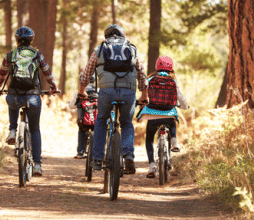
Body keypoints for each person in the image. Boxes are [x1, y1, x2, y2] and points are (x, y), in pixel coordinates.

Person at [78, 24, 148, 173]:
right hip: (128, 93)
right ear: (123, 35)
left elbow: (86, 75)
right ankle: (128, 155)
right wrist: (144, 95)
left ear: (106, 37)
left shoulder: (100, 49)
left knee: (101, 121)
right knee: (127, 123)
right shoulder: (132, 49)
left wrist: (82, 91)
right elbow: (141, 73)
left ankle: (97, 159)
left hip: (106, 92)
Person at [0, 26, 59, 176]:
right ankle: (37, 165)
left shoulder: (10, 55)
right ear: (31, 40)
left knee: (12, 102)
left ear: (16, 40)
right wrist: (53, 88)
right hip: (33, 97)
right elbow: (48, 73)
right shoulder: (37, 55)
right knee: (35, 129)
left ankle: (12, 130)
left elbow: (2, 75)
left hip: (14, 95)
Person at [137, 56, 188, 178]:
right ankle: (174, 140)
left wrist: (140, 105)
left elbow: (143, 96)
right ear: (171, 68)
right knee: (172, 120)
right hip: (168, 113)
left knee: (149, 139)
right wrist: (185, 106)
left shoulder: (150, 80)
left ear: (157, 67)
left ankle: (151, 166)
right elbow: (181, 99)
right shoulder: (173, 82)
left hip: (152, 114)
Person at [69, 76, 98, 159]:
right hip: (96, 120)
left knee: (82, 130)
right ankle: (97, 154)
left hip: (84, 121)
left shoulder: (79, 93)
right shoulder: (98, 91)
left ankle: (80, 152)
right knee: (98, 131)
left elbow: (71, 106)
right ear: (94, 81)